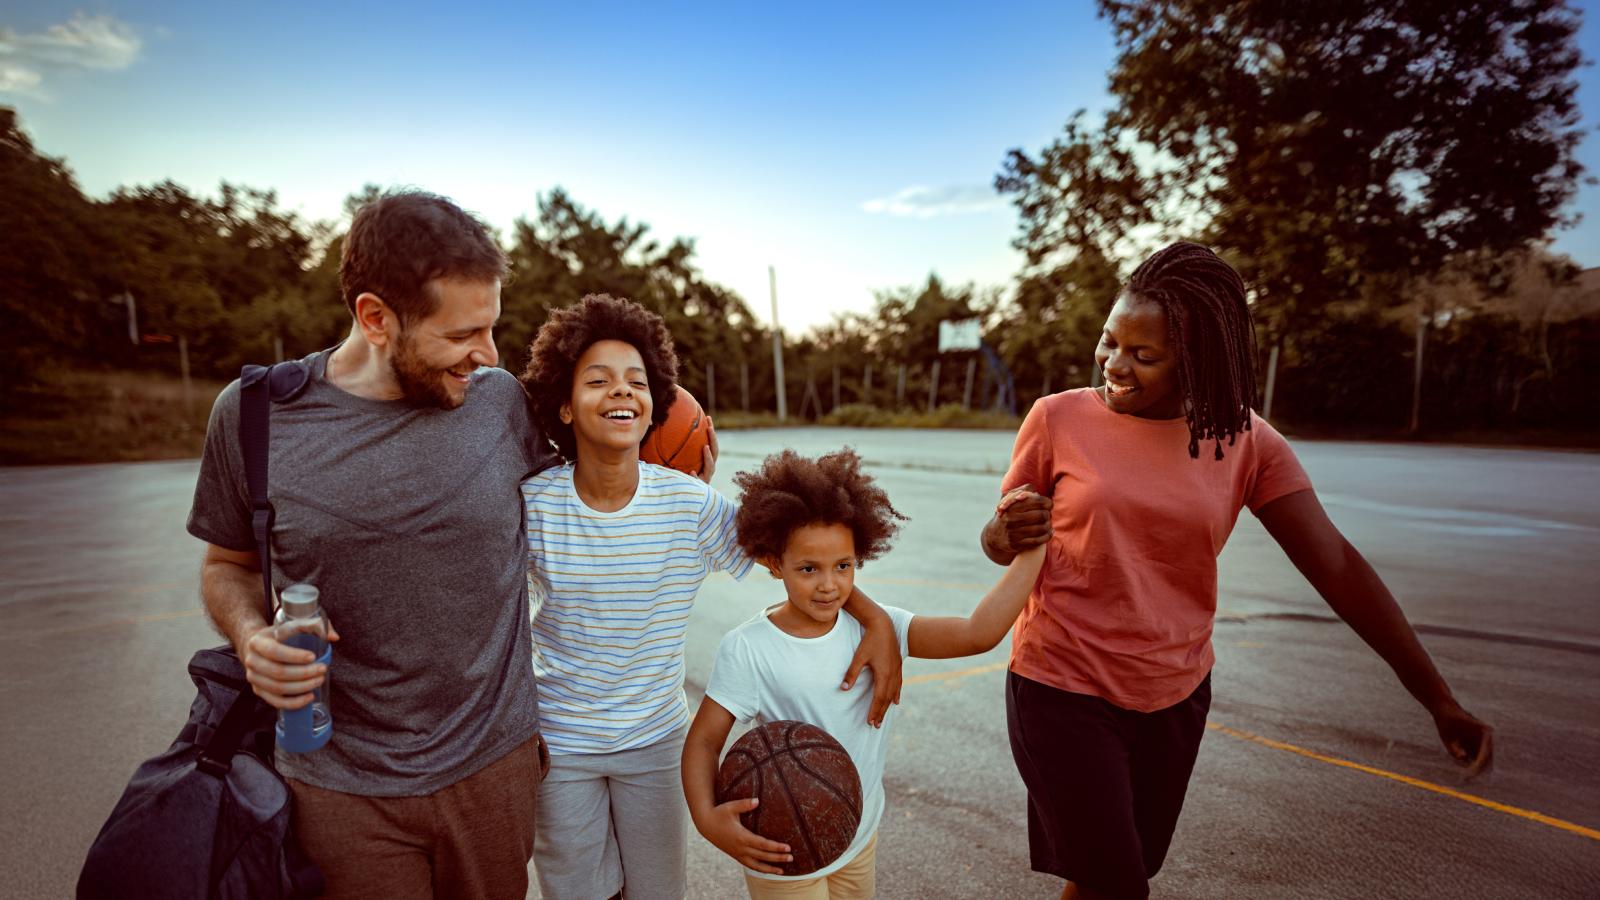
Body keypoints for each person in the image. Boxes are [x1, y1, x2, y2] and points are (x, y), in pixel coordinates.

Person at [981, 241, 1496, 900]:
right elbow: (1001, 540)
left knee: (1109, 877)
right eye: (1109, 342)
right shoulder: (1057, 419)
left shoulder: (1244, 441)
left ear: (1198, 364)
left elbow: (1336, 565)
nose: (1114, 365)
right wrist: (1001, 531)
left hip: (1175, 692)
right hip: (1061, 686)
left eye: (1144, 356)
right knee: (1120, 884)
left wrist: (1437, 698)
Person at [188, 190, 552, 900]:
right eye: (461, 335)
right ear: (375, 317)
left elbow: (602, 490)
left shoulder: (503, 403)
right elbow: (225, 565)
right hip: (340, 785)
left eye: (491, 327)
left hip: (494, 768)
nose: (487, 354)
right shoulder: (255, 419)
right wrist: (251, 635)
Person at [518, 296, 904, 900]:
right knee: (575, 891)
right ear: (563, 405)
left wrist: (873, 618)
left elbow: (797, 558)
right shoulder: (534, 505)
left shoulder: (688, 505)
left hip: (654, 738)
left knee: (657, 890)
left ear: (654, 407)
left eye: (636, 382)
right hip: (562, 739)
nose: (621, 391)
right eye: (598, 381)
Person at [682, 449, 1048, 900]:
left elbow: (977, 634)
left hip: (858, 831)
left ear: (860, 558)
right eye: (808, 569)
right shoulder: (750, 648)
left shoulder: (883, 627)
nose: (828, 584)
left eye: (844, 566)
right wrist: (706, 818)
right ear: (774, 564)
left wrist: (1036, 548)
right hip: (784, 843)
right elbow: (702, 742)